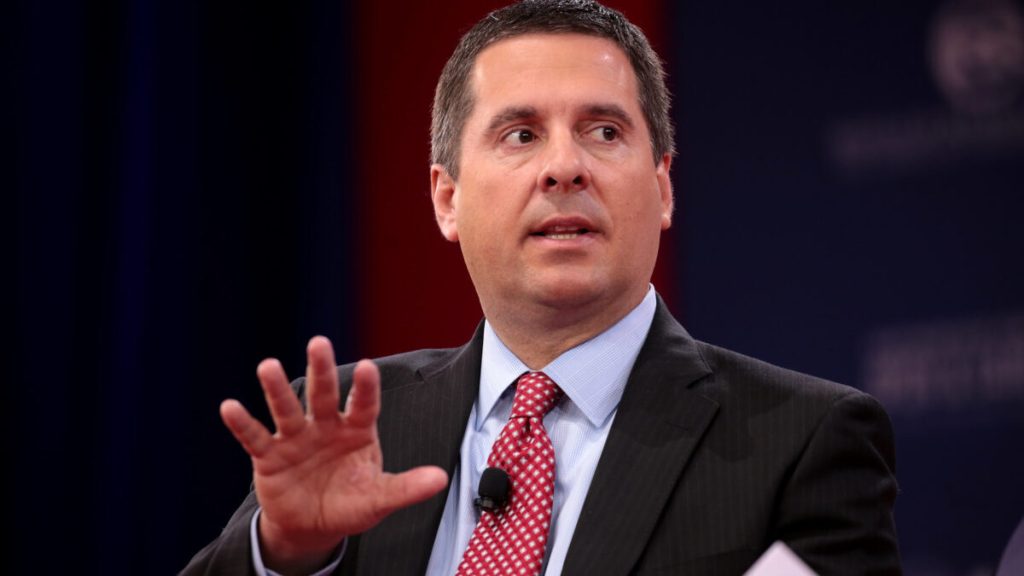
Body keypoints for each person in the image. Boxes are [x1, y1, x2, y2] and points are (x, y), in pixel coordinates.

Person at [181, 1, 901, 574]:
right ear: (447, 200)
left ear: (663, 188)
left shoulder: (800, 443)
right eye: (521, 135)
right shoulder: (352, 426)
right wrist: (288, 554)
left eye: (604, 131)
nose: (564, 167)